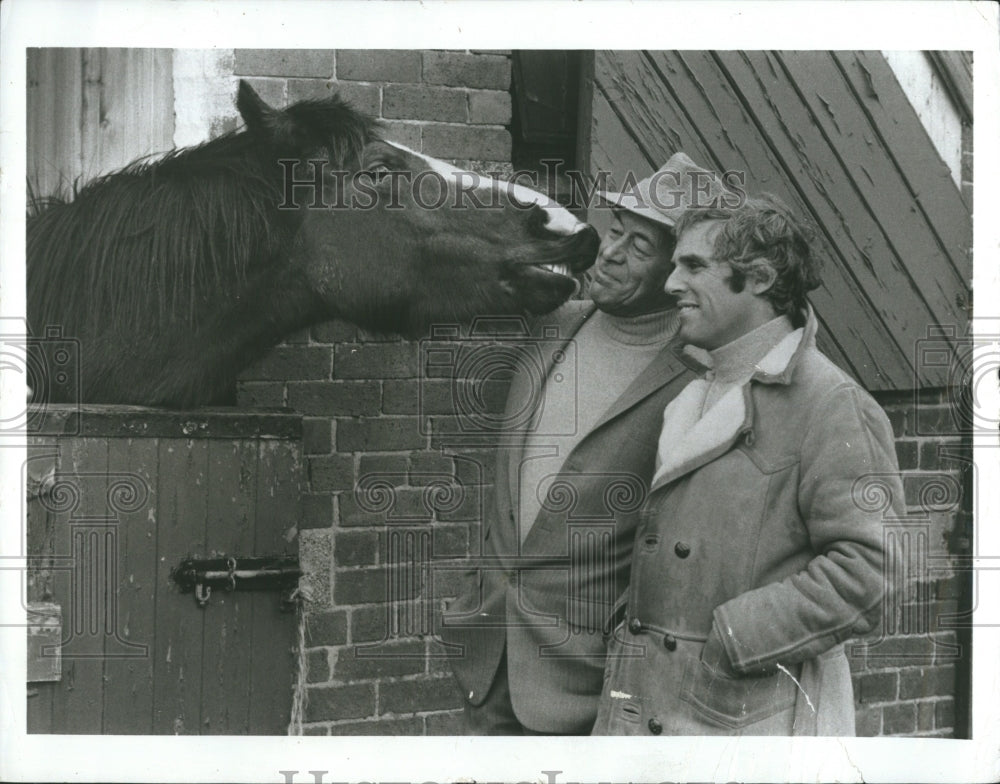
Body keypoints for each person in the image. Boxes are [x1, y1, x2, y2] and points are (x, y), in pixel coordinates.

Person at [439, 154, 737, 735]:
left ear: (678, 274)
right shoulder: (552, 321)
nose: (611, 252)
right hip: (486, 654)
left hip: (583, 681)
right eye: (615, 231)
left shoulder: (698, 380)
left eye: (640, 248)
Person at [592, 195, 903, 736]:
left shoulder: (830, 401)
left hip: (745, 717)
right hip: (649, 705)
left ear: (758, 278)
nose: (669, 284)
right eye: (673, 266)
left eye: (693, 266)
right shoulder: (697, 390)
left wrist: (733, 638)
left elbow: (871, 570)